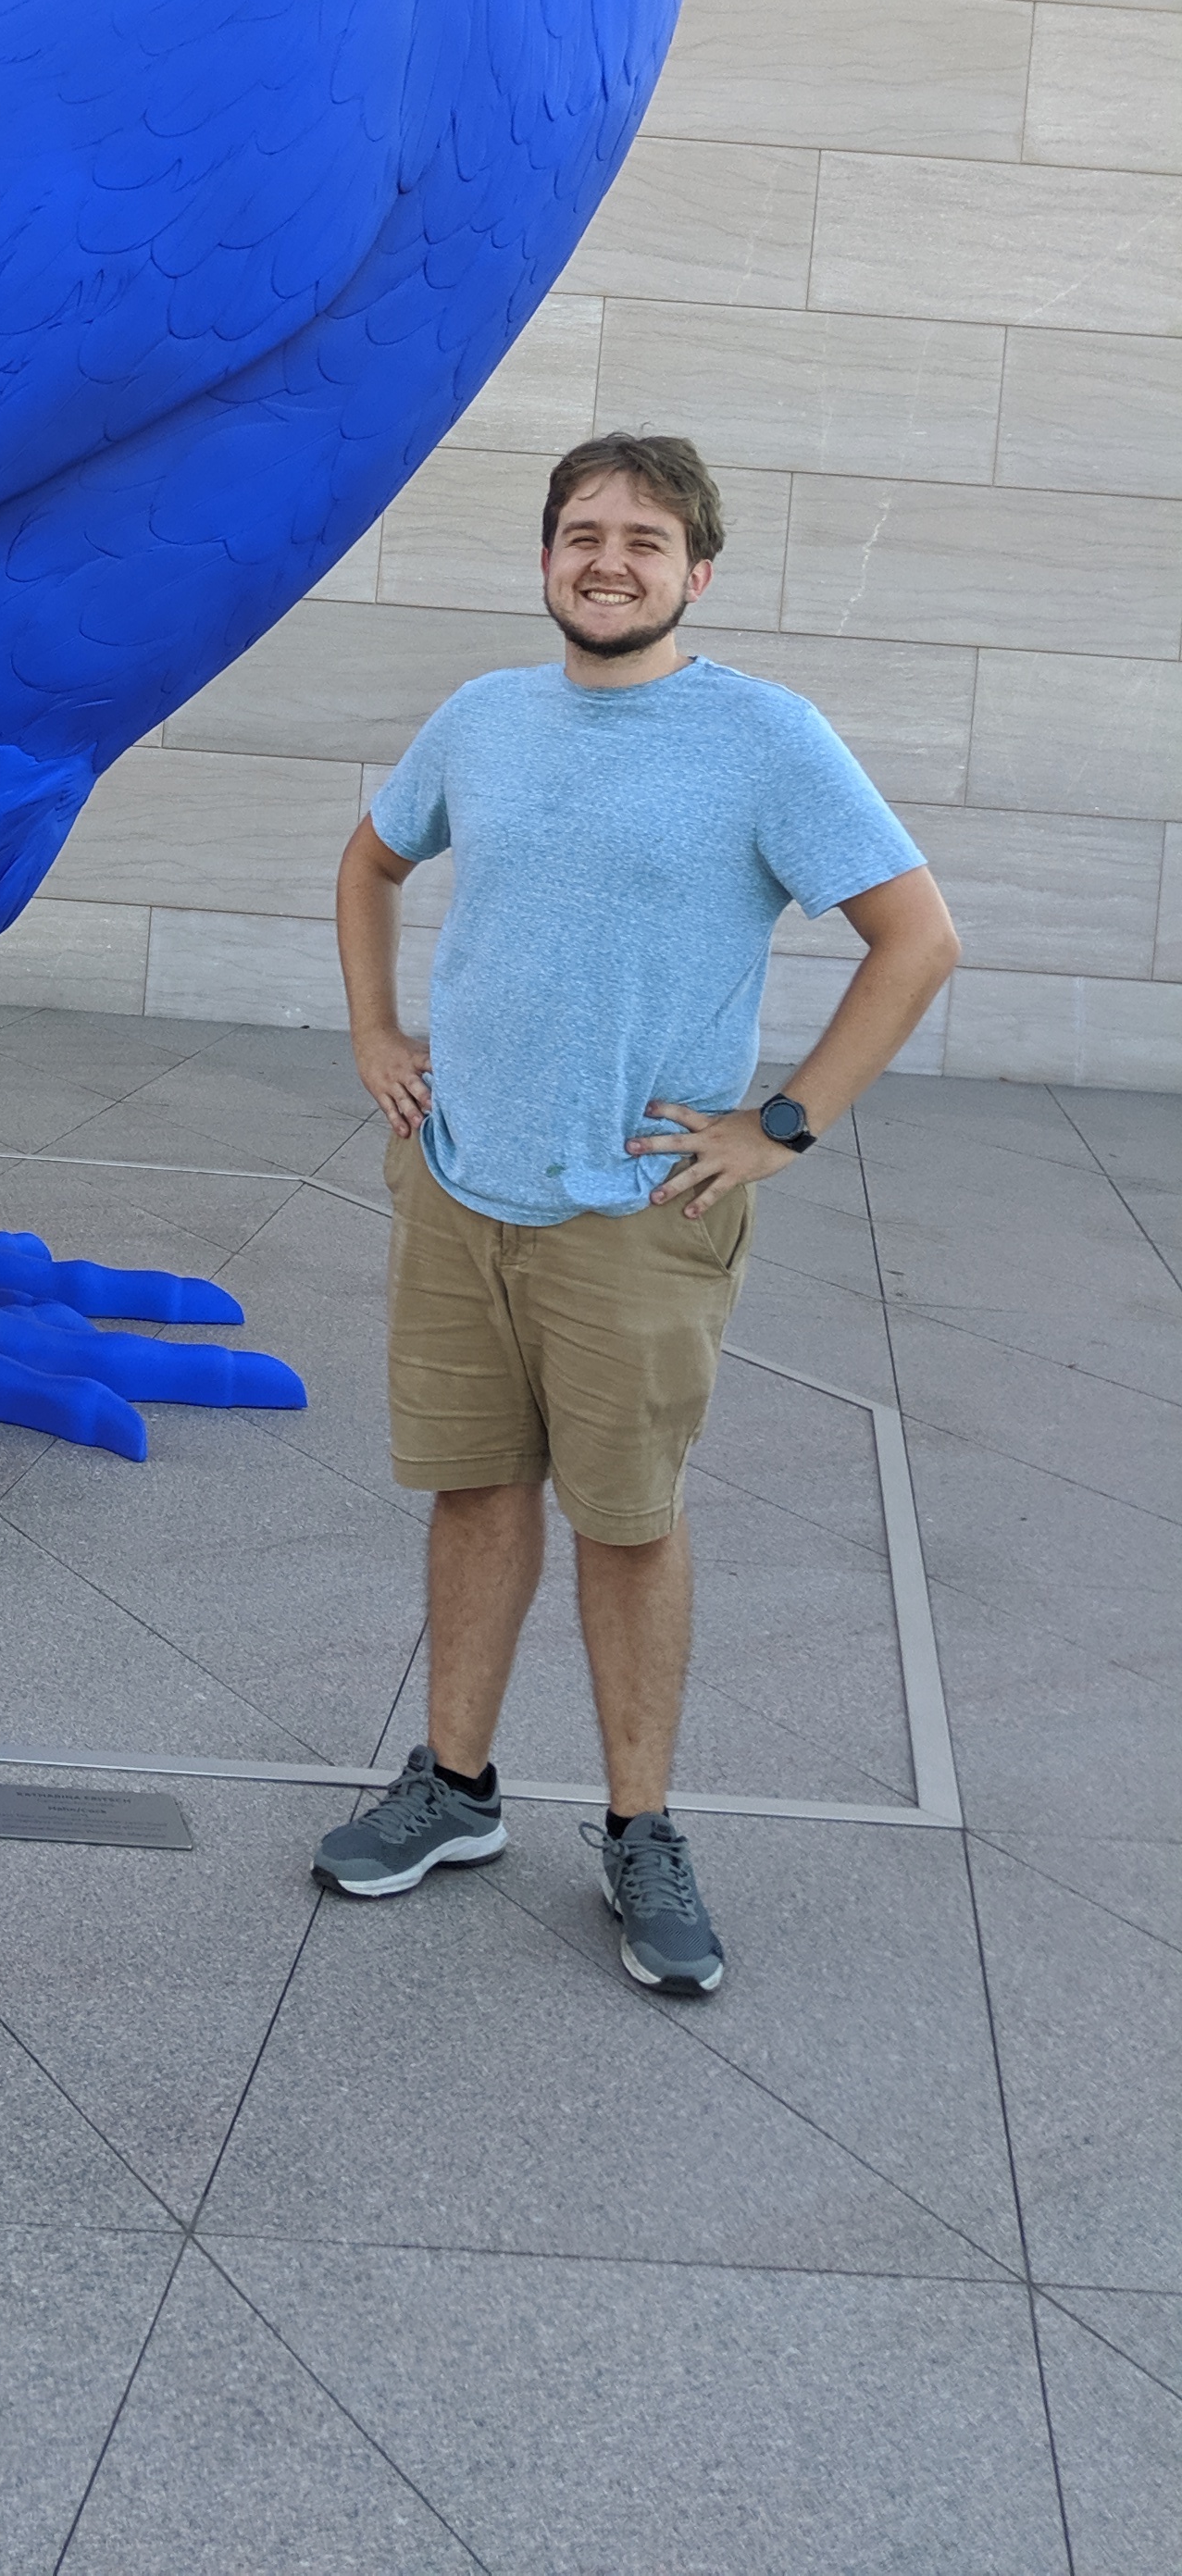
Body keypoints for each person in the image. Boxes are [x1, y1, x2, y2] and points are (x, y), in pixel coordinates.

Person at [317, 432, 959, 1993]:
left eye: (642, 538)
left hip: (634, 1212)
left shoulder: (759, 738)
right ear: (544, 557)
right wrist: (376, 1034)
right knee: (472, 1493)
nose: (606, 558)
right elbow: (368, 858)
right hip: (460, 1180)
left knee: (623, 1519)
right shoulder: (481, 717)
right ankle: (453, 1789)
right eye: (580, 532)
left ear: (694, 571)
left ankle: (636, 1826)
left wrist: (781, 1125)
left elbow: (913, 936)